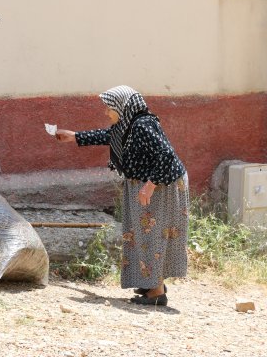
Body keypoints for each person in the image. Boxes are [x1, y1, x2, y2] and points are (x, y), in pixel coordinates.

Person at [56, 85, 189, 306]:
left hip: (159, 185)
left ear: (122, 106)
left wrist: (149, 186)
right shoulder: (127, 126)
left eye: (109, 108)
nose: (106, 113)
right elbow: (108, 135)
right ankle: (151, 282)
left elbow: (166, 155)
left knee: (151, 234)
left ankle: (156, 292)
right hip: (148, 182)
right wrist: (75, 137)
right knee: (142, 233)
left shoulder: (143, 125)